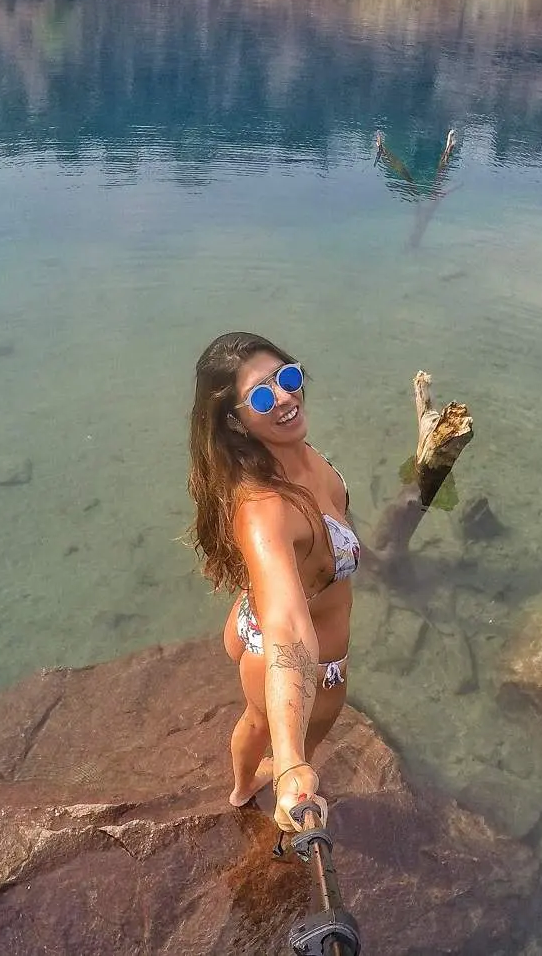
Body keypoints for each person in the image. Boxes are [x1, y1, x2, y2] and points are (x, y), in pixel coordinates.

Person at [188, 332, 360, 833]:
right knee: (269, 726)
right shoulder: (265, 508)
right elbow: (286, 623)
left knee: (254, 718)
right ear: (236, 420)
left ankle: (245, 785)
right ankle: (247, 788)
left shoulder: (293, 455)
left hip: (251, 619)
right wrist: (290, 764)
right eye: (262, 396)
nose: (285, 398)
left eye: (287, 377)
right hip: (300, 659)